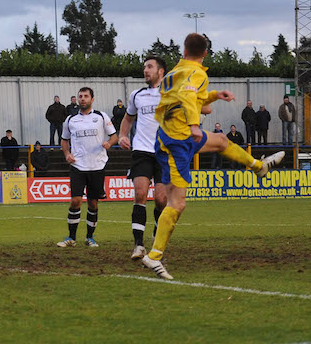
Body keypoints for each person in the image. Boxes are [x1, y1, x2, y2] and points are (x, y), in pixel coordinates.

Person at [142, 33, 284, 280]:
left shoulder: (176, 70)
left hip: (170, 136)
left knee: (220, 141)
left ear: (184, 51)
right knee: (178, 203)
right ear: (205, 53)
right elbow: (187, 96)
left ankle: (259, 166)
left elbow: (187, 95)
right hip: (180, 141)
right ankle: (153, 257)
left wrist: (215, 94)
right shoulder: (197, 73)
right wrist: (195, 124)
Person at [117, 56, 167, 260]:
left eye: (150, 67)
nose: (145, 70)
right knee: (140, 195)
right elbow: (128, 118)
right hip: (141, 150)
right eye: (144, 67)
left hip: (164, 152)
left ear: (160, 71)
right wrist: (122, 135)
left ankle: (157, 236)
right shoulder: (137, 95)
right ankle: (138, 245)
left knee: (161, 200)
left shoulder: (171, 94)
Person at [56, 87, 118, 248]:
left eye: (86, 96)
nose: (82, 99)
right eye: (80, 96)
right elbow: (64, 140)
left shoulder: (101, 116)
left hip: (97, 165)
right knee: (75, 201)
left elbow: (114, 136)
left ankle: (90, 238)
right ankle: (71, 237)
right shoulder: (70, 119)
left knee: (93, 203)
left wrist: (109, 143)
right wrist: (67, 154)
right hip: (78, 165)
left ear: (92, 99)